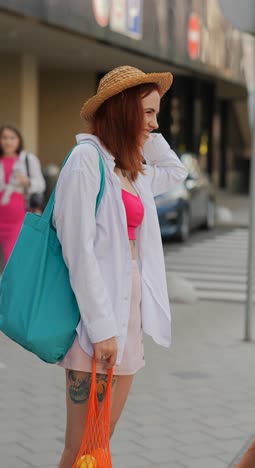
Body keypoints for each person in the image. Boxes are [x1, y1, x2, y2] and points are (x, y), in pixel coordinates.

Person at [53, 65, 188, 467]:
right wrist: (103, 330)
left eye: (156, 112)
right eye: (147, 112)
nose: (155, 122)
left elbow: (176, 171)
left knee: (102, 438)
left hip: (128, 315)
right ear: (123, 109)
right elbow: (78, 251)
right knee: (80, 446)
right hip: (97, 321)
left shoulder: (130, 168)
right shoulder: (85, 160)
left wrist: (144, 134)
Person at [0, 124, 46, 267]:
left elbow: (41, 184)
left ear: (19, 140)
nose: (8, 142)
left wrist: (27, 182)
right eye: (4, 137)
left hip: (18, 218)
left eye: (12, 138)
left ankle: (13, 289)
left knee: (13, 261)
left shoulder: (28, 159)